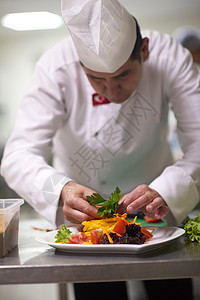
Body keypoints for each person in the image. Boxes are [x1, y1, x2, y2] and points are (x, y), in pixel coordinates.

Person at [1, 0, 200, 299]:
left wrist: (169, 189)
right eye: (96, 79)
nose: (111, 90)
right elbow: (18, 154)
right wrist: (61, 189)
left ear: (144, 50)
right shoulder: (56, 67)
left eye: (122, 75)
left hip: (158, 210)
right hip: (86, 219)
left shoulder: (170, 56)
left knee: (171, 290)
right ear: (81, 66)